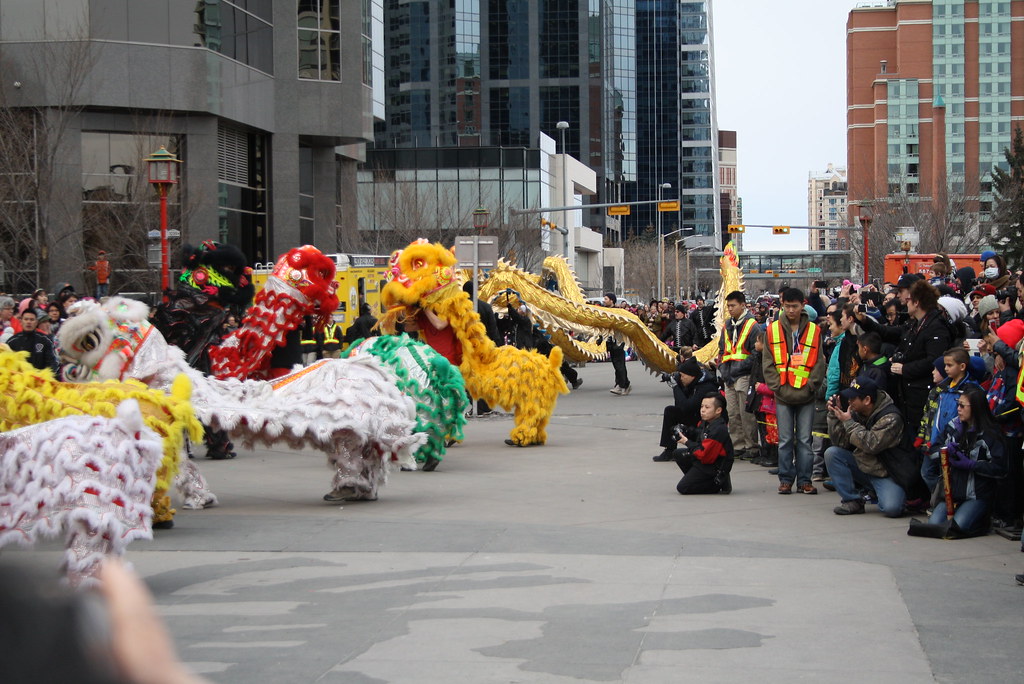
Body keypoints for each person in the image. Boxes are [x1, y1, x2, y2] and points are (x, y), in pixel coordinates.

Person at [909, 387, 1008, 538]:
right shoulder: (953, 426)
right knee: (936, 525)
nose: (958, 409)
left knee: (955, 528)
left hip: (976, 495)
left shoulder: (990, 433)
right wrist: (945, 451)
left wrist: (971, 465)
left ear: (975, 408)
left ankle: (981, 521)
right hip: (952, 493)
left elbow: (1001, 469)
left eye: (962, 406)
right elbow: (932, 450)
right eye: (958, 404)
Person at [763, 288, 826, 495]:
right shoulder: (772, 330)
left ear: (803, 305)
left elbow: (819, 362)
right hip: (783, 394)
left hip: (806, 394)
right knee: (785, 440)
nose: (791, 310)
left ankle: (805, 481)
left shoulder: (815, 331)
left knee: (805, 440)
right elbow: (768, 362)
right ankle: (786, 480)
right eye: (787, 306)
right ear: (782, 305)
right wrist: (777, 387)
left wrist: (811, 385)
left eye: (795, 306)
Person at [824, 376, 910, 516]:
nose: (849, 402)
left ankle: (887, 493)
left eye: (853, 398)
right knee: (832, 453)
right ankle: (852, 501)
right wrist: (835, 415)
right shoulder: (856, 412)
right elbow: (840, 443)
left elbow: (871, 444)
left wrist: (849, 423)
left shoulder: (891, 417)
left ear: (867, 400)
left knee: (892, 509)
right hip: (865, 467)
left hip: (887, 472)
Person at [916, 348, 980, 493]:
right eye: (945, 365)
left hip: (957, 442)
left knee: (950, 475)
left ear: (962, 366)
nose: (945, 369)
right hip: (936, 439)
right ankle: (941, 500)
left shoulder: (971, 390)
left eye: (949, 365)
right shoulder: (942, 388)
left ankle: (949, 502)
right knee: (928, 472)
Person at [717, 290, 759, 460]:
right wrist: (722, 367)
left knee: (746, 413)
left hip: (744, 375)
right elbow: (722, 349)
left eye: (733, 306)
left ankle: (752, 446)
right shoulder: (727, 325)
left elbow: (756, 353)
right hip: (728, 375)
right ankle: (738, 445)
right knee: (732, 413)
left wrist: (740, 367)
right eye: (728, 306)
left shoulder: (752, 326)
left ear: (743, 305)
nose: (730, 309)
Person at [654, 357, 719, 461]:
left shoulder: (706, 387)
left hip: (704, 424)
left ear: (692, 376)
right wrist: (677, 384)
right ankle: (669, 450)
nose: (681, 378)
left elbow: (687, 407)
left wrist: (676, 387)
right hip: (695, 416)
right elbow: (679, 405)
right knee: (670, 411)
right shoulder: (692, 382)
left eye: (682, 376)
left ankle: (696, 446)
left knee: (679, 411)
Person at [671, 393, 734, 495]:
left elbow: (704, 455)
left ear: (718, 410)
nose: (703, 410)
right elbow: (698, 435)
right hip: (706, 459)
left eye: (707, 407)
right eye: (702, 406)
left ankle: (717, 484)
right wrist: (685, 430)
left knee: (683, 488)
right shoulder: (707, 422)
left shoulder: (719, 429)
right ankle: (700, 479)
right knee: (678, 454)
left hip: (713, 464)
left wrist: (686, 442)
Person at [5, 308, 60, 374]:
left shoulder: (45, 340)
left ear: (36, 322)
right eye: (26, 319)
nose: (29, 322)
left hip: (40, 379)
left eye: (32, 319)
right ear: (21, 322)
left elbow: (53, 363)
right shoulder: (12, 341)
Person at [604, 293, 630, 395]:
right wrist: (601, 338)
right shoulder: (604, 312)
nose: (604, 301)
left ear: (612, 301)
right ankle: (622, 384)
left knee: (620, 364)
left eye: (606, 299)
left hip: (618, 341)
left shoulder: (619, 312)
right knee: (616, 364)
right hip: (610, 341)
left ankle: (622, 385)